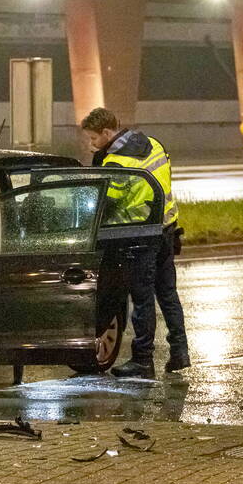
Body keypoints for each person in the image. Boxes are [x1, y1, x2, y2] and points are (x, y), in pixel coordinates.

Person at [81, 107, 190, 378]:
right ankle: (180, 352)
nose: (91, 144)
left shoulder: (116, 162)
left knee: (142, 300)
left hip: (141, 236)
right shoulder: (153, 144)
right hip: (166, 229)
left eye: (94, 138)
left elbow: (107, 203)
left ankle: (142, 360)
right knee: (167, 295)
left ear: (107, 132)